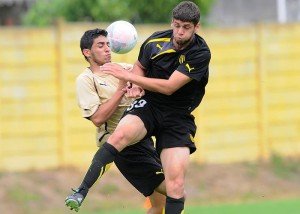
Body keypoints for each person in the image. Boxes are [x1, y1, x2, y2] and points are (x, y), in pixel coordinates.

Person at [67, 1, 211, 213]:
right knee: (118, 136)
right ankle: (80, 192)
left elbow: (170, 87)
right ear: (172, 22)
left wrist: (131, 79)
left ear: (196, 27)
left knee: (175, 189)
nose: (179, 32)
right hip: (150, 106)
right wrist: (133, 82)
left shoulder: (200, 52)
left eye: (186, 27)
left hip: (177, 117)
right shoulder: (154, 41)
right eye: (177, 25)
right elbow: (141, 67)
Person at [65, 28, 166, 213]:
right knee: (175, 191)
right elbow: (97, 118)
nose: (107, 49)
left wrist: (139, 85)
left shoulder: (125, 68)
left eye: (108, 45)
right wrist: (121, 88)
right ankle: (80, 192)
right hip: (122, 148)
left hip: (143, 139)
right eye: (101, 45)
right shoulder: (87, 79)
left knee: (160, 206)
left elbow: (148, 81)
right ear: (87, 52)